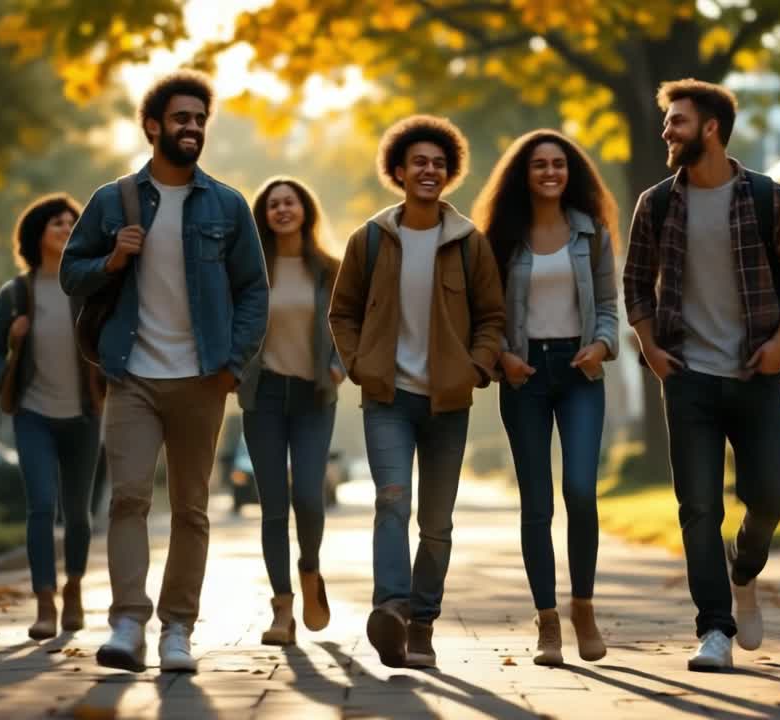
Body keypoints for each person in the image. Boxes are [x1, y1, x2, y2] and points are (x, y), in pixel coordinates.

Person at [59, 70, 269, 673]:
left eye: (200, 120)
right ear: (154, 126)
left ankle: (178, 628)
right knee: (127, 498)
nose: (193, 129)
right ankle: (128, 622)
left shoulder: (227, 205)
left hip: (203, 379)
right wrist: (113, 257)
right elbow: (71, 275)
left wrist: (233, 364)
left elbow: (253, 288)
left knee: (191, 507)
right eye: (182, 119)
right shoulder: (113, 200)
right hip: (132, 375)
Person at [622, 79, 780, 671]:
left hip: (756, 374)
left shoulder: (766, 197)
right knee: (698, 507)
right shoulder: (656, 204)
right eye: (666, 122)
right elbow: (635, 285)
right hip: (688, 378)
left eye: (677, 121)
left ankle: (745, 568)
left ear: (710, 127)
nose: (667, 131)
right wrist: (652, 350)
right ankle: (714, 630)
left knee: (769, 496)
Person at [328, 114, 505, 669]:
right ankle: (391, 609)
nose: (428, 170)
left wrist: (476, 368)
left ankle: (423, 622)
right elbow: (343, 312)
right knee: (391, 501)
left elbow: (492, 317)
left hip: (448, 401)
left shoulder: (469, 243)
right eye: (418, 162)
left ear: (447, 174)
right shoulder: (371, 240)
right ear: (399, 171)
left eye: (438, 163)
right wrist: (358, 364)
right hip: (388, 399)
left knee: (436, 523)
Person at [471, 129, 620, 666]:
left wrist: (603, 345)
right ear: (523, 174)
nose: (550, 172)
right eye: (539, 165)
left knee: (580, 490)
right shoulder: (501, 238)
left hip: (581, 373)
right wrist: (502, 357)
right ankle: (548, 623)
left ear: (570, 171)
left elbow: (608, 303)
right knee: (536, 503)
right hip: (524, 374)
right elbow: (484, 312)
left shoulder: (592, 233)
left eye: (559, 163)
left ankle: (583, 606)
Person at [0, 193, 103, 641]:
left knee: (78, 513)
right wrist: (9, 363)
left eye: (73, 222)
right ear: (38, 233)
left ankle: (73, 588)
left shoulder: (87, 289)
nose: (67, 227)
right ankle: (45, 602)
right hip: (33, 413)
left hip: (83, 415)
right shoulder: (16, 293)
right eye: (58, 222)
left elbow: (109, 340)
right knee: (40, 508)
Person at [239, 177, 345, 646]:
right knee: (273, 508)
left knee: (307, 493)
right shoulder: (249, 271)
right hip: (263, 395)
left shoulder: (329, 269)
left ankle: (309, 571)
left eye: (291, 202)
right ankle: (282, 608)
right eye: (274, 204)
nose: (282, 209)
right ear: (264, 214)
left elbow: (350, 321)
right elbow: (234, 321)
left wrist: (341, 364)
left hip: (313, 396)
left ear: (306, 209)